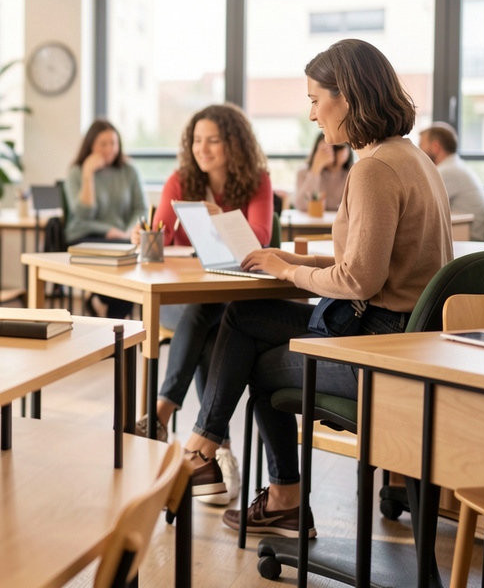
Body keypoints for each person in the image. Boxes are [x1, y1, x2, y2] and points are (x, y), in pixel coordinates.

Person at [181, 39, 451, 539]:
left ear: (345, 97)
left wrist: (286, 273)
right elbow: (376, 265)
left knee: (257, 361)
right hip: (406, 341)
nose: (311, 116)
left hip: (376, 351)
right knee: (244, 319)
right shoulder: (411, 159)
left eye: (313, 100)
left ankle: (248, 476)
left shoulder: (373, 170)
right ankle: (209, 450)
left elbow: (358, 280)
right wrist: (295, 260)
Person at [132, 103, 273, 506]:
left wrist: (219, 218)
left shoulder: (257, 182)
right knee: (204, 316)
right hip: (183, 301)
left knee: (212, 333)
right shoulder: (180, 180)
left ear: (234, 143)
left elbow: (259, 238)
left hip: (228, 301)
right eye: (197, 140)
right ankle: (219, 451)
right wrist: (147, 239)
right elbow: (161, 235)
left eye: (213, 140)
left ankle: (162, 416)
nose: (203, 148)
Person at [63, 118, 147, 319]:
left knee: (130, 272)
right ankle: (112, 321)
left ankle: (107, 313)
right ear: (91, 146)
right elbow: (82, 215)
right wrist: (88, 174)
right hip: (85, 236)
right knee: (122, 269)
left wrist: (128, 230)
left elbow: (140, 208)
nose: (110, 149)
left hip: (121, 238)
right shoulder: (76, 172)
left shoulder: (129, 171)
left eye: (114, 143)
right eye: (103, 144)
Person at [419, 121, 484, 241]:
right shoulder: (455, 166)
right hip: (466, 234)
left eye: (421, 146)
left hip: (468, 238)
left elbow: (420, 206)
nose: (419, 152)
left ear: (436, 146)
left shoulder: (446, 172)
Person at [293, 132, 353, 212]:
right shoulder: (303, 172)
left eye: (340, 146)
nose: (334, 151)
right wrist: (315, 169)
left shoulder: (354, 172)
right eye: (328, 146)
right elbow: (301, 205)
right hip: (313, 223)